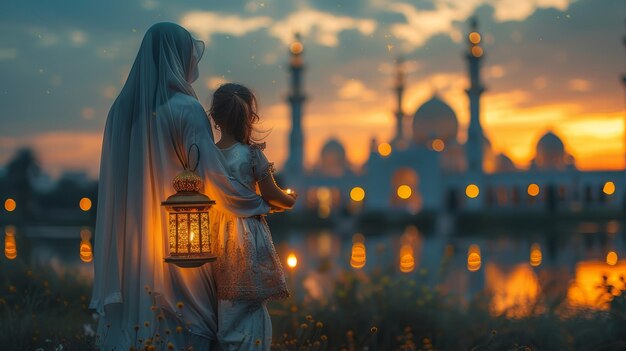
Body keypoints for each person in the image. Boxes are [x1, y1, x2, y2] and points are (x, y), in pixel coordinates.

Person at [90, 23, 270, 350]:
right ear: (177, 57)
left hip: (136, 241)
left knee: (140, 319)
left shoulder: (122, 112)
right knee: (188, 322)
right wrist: (259, 202)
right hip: (181, 241)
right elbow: (213, 177)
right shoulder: (186, 109)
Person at [208, 83, 296, 350]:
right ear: (250, 118)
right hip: (247, 235)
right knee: (251, 301)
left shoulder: (206, 154)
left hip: (216, 234)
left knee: (225, 299)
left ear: (214, 118)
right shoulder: (251, 153)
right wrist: (290, 200)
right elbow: (272, 195)